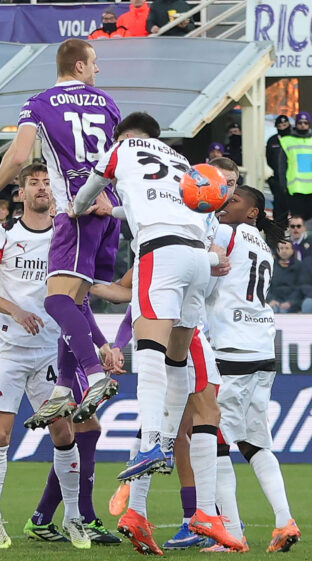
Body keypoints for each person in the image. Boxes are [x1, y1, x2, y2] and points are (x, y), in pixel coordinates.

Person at [0, 163, 114, 549]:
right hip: (11, 350)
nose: (41, 189)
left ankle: (72, 518)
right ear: (20, 193)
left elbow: (78, 301)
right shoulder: (2, 235)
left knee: (65, 433)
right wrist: (14, 310)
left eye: (47, 183)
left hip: (52, 352)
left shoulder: (66, 237)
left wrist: (100, 342)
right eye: (33, 183)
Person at [0, 39, 122, 428]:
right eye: (94, 63)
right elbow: (118, 158)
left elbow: (20, 156)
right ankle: (62, 388)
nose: (98, 70)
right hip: (109, 212)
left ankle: (93, 375)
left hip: (76, 211)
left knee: (56, 301)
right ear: (78, 66)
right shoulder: (108, 104)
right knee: (75, 300)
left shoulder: (38, 104)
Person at [78, 113, 219, 485]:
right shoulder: (182, 162)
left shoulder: (119, 149)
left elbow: (84, 196)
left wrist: (79, 210)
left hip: (160, 252)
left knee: (149, 354)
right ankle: (168, 444)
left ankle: (151, 444)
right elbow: (177, 203)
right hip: (197, 257)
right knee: (177, 361)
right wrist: (119, 209)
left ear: (123, 135)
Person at [207, 185, 300, 552]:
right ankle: (284, 520)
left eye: (233, 201)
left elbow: (195, 241)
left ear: (251, 212)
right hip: (263, 348)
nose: (223, 205)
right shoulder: (262, 245)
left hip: (234, 347)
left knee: (211, 439)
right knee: (253, 441)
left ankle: (231, 533)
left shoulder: (226, 232)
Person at [279, 112, 312, 220]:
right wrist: (284, 185)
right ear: (296, 124)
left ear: (309, 124)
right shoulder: (287, 141)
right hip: (295, 189)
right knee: (298, 222)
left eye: (305, 123)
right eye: (300, 122)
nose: (303, 125)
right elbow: (282, 166)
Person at [265, 114, 292, 220]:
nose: (283, 128)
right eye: (280, 126)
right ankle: (278, 233)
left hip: (294, 180)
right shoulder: (272, 141)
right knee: (280, 211)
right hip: (278, 180)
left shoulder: (294, 139)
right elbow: (269, 160)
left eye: (285, 125)